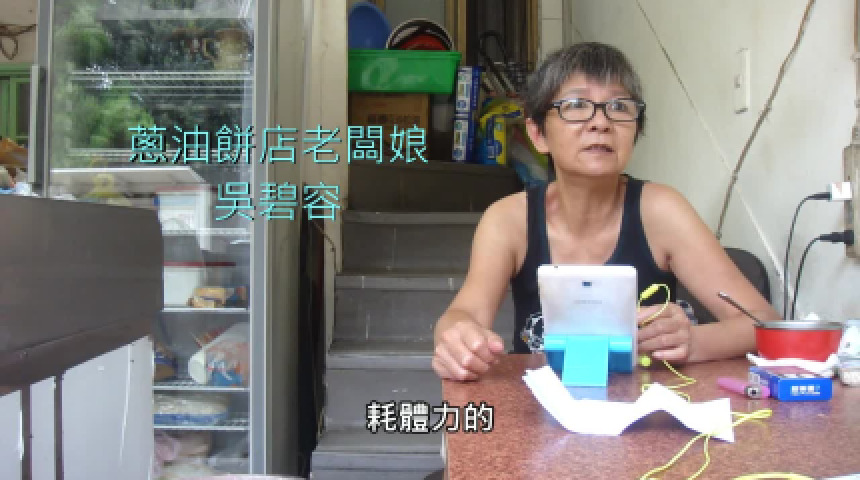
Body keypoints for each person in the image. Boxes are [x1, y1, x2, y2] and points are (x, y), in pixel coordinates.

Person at [432, 42, 781, 382]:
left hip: (647, 409)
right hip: (538, 408)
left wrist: (693, 341)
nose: (600, 122)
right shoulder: (509, 220)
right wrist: (457, 338)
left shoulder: (662, 211)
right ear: (538, 134)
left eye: (618, 106)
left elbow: (763, 321)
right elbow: (465, 314)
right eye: (576, 105)